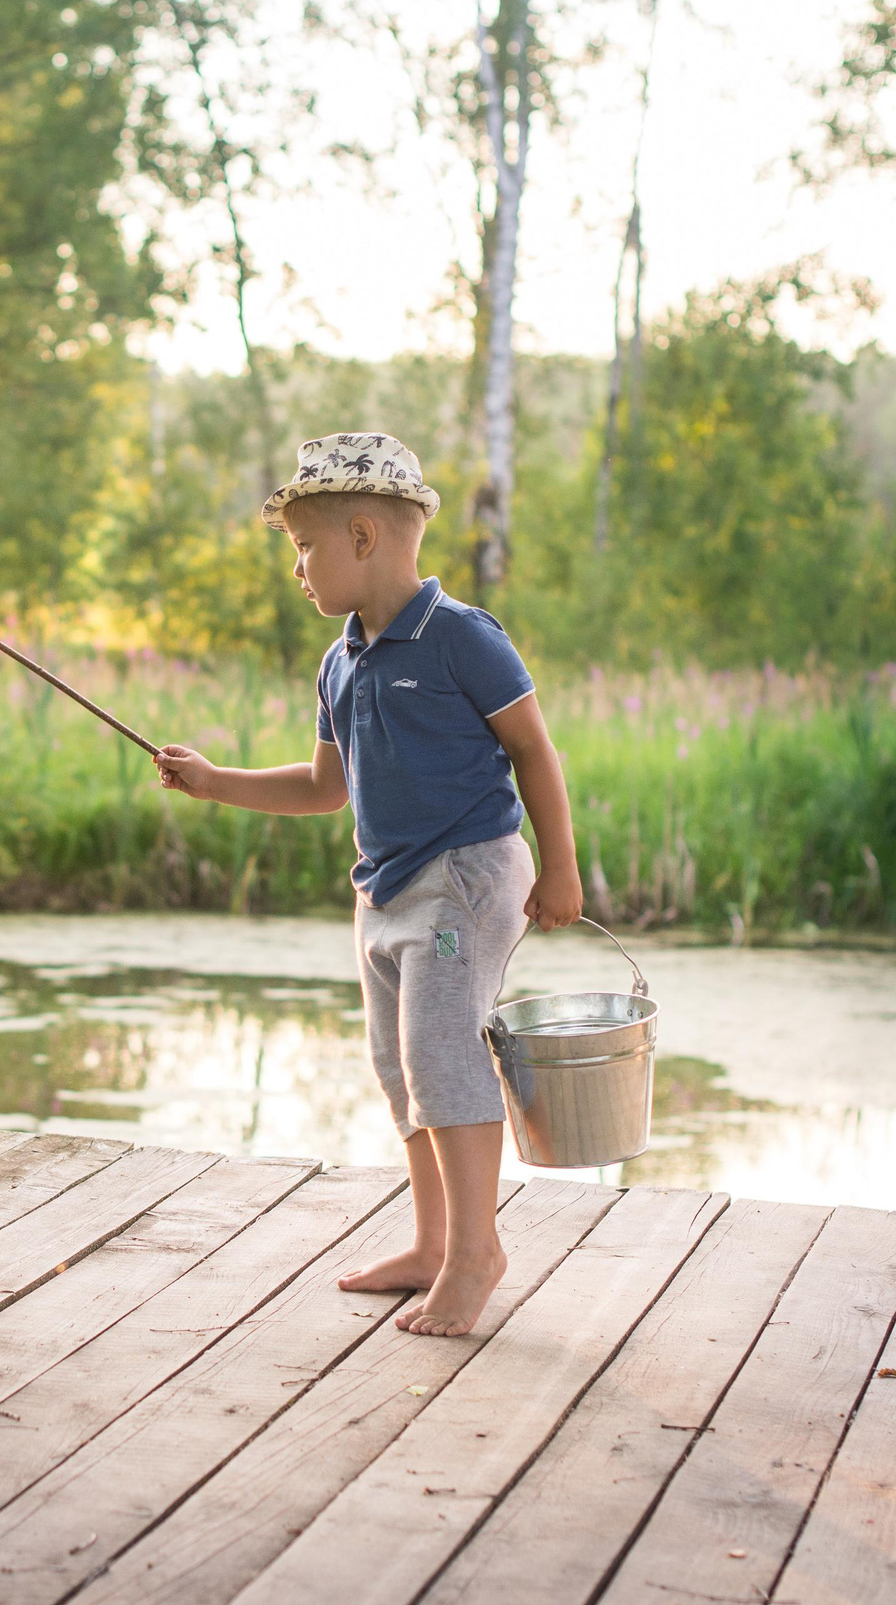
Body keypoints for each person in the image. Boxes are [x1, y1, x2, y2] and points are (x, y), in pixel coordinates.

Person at [153, 433, 582, 1336]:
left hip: (466, 873)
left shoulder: (460, 636)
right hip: (383, 890)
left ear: (361, 536)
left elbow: (534, 751)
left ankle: (476, 1254)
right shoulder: (341, 661)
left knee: (445, 1055)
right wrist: (215, 778)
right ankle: (432, 1244)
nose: (298, 570)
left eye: (304, 548)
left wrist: (562, 867)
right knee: (401, 1070)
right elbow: (323, 786)